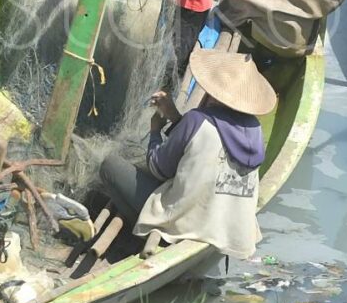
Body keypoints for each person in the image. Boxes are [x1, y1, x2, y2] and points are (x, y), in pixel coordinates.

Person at [98, 49, 276, 259]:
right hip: (229, 230)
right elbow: (206, 140)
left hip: (189, 224)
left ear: (215, 91)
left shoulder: (196, 120)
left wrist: (155, 132)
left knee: (110, 165)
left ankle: (138, 232)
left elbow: (158, 168)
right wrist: (174, 116)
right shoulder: (255, 128)